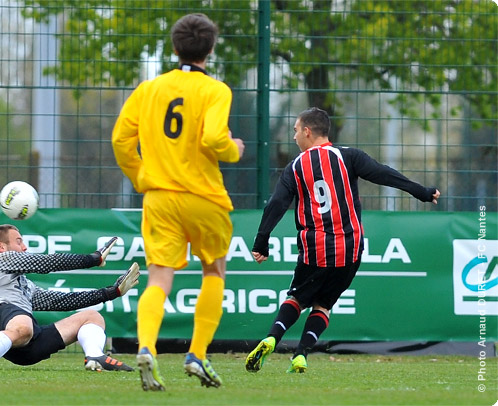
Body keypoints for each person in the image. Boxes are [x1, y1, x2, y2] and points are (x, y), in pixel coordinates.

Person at [245, 107, 440, 374]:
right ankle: (301, 354)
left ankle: (271, 338)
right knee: (323, 305)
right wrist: (422, 192)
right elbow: (384, 174)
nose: (293, 137)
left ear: (307, 131)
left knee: (297, 298)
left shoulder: (296, 166)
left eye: (295, 130)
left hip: (316, 248)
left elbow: (278, 203)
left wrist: (261, 240)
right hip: (350, 248)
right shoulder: (349, 156)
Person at [112, 13, 245, 391]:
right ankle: (197, 355)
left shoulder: (149, 89)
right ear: (211, 49)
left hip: (160, 198)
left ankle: (147, 348)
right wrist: (233, 150)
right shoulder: (216, 91)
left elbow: (121, 140)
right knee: (214, 272)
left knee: (158, 278)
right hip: (205, 198)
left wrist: (140, 176)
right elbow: (214, 139)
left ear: (174, 47)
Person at [0, 224, 140, 372]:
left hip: (26, 348)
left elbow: (62, 301)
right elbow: (45, 262)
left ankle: (95, 357)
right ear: (1, 247)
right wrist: (93, 259)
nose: (24, 246)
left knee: (92, 317)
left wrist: (110, 293)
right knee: (24, 324)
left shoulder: (25, 286)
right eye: (19, 241)